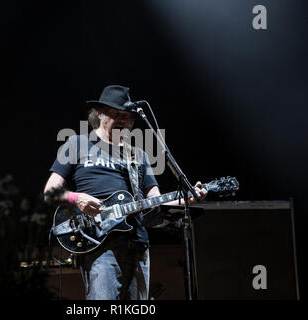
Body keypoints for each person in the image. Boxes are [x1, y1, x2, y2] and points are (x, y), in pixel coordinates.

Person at [44, 85, 207, 300]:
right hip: (99, 242)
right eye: (115, 114)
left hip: (138, 244)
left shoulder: (137, 154)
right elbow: (50, 192)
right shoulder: (77, 144)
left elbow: (155, 201)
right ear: (100, 113)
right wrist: (77, 198)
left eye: (126, 116)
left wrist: (188, 198)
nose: (122, 120)